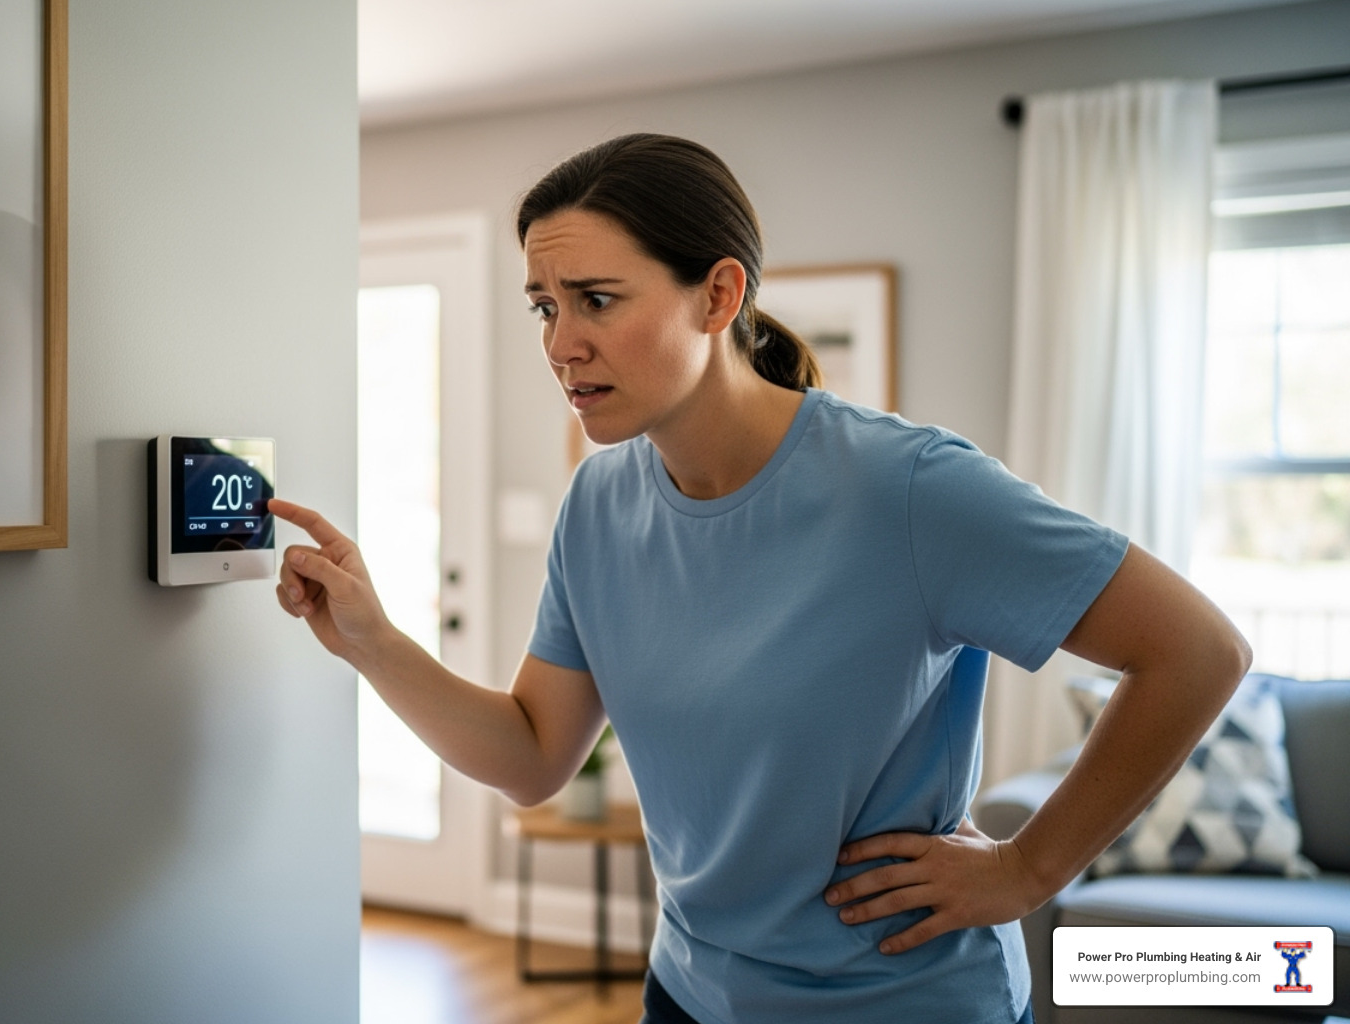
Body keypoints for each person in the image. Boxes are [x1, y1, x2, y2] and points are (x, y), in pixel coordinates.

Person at [270, 133, 1250, 1024]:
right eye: (545, 305)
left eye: (598, 300)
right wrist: (374, 641)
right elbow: (533, 754)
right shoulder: (598, 504)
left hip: (903, 1005)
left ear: (720, 295)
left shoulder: (907, 489)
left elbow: (1197, 651)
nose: (560, 342)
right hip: (693, 993)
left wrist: (1031, 868)